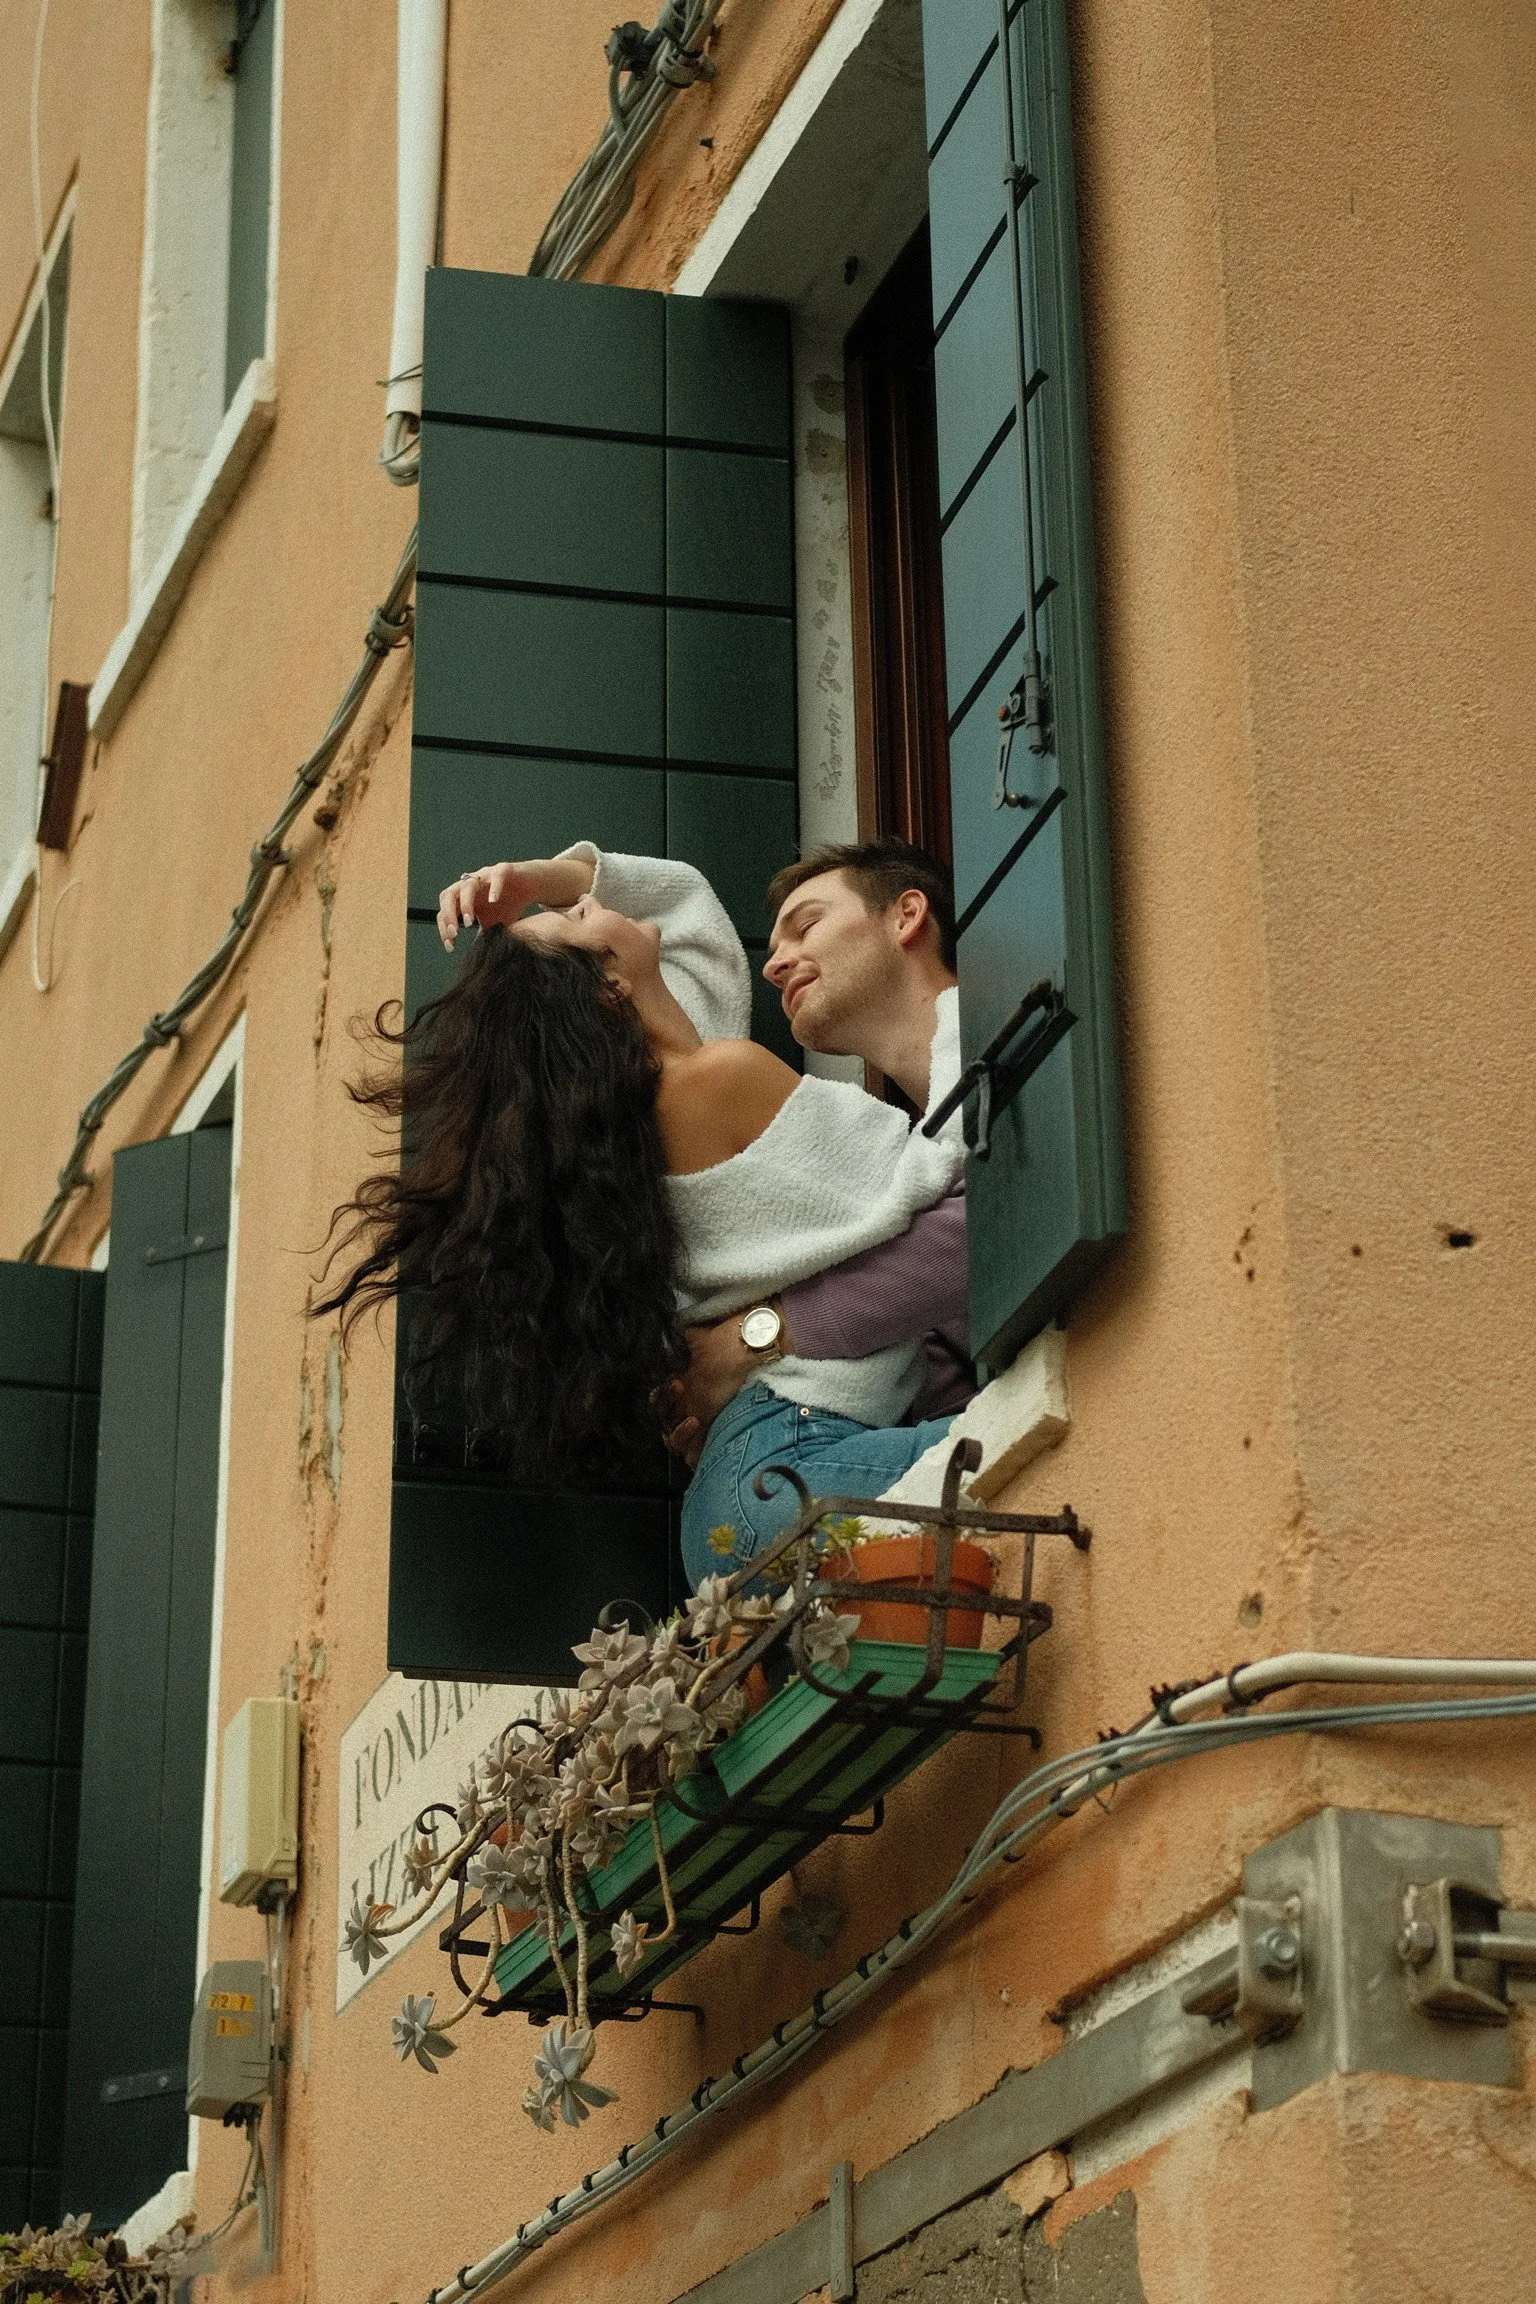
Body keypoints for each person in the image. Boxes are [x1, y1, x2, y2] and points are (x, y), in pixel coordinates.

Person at [318, 839, 966, 1588]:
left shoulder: (649, 1123)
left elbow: (687, 906)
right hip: (791, 1472)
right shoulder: (720, 1080)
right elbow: (953, 1182)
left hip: (747, 1496)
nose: (586, 904)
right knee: (1072, 1428)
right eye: (575, 917)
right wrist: (958, 1029)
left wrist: (535, 880)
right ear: (608, 989)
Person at [659, 847, 976, 1471]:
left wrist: (755, 1342)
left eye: (805, 926)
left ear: (907, 915)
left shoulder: (999, 1035)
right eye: (773, 951)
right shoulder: (907, 1155)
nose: (774, 966)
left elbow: (989, 1229)